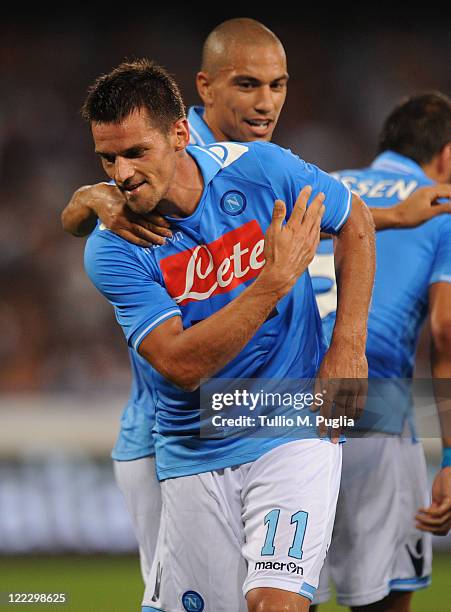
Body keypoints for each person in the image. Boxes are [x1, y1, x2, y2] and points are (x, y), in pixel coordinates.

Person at [60, 21, 451, 595]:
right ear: (204, 91)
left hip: (282, 408)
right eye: (247, 85)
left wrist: (347, 347)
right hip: (176, 425)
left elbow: (340, 217)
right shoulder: (148, 155)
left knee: (284, 592)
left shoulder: (265, 165)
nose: (265, 102)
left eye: (277, 85)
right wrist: (86, 202)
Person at [80, 56, 375, 611]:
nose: (121, 174)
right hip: (193, 445)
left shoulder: (261, 170)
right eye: (107, 157)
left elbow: (355, 219)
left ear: (179, 134)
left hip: (293, 422)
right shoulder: (112, 247)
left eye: (136, 152)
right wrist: (272, 283)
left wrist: (348, 345)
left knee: (276, 602)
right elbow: (182, 364)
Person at [310, 92, 451, 612]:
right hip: (376, 413)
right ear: (448, 156)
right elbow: (446, 330)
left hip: (282, 413)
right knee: (380, 602)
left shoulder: (320, 186)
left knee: (282, 594)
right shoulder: (441, 203)